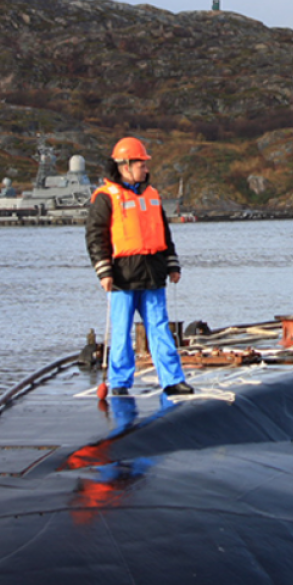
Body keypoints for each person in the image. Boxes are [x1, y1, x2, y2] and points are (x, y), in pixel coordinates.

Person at [86, 137, 193, 396]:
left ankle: (172, 379)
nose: (146, 169)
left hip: (153, 272)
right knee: (121, 332)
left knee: (159, 328)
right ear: (125, 166)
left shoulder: (152, 195)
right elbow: (96, 236)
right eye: (141, 164)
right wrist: (104, 271)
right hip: (123, 274)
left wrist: (172, 265)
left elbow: (164, 234)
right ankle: (120, 382)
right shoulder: (105, 197)